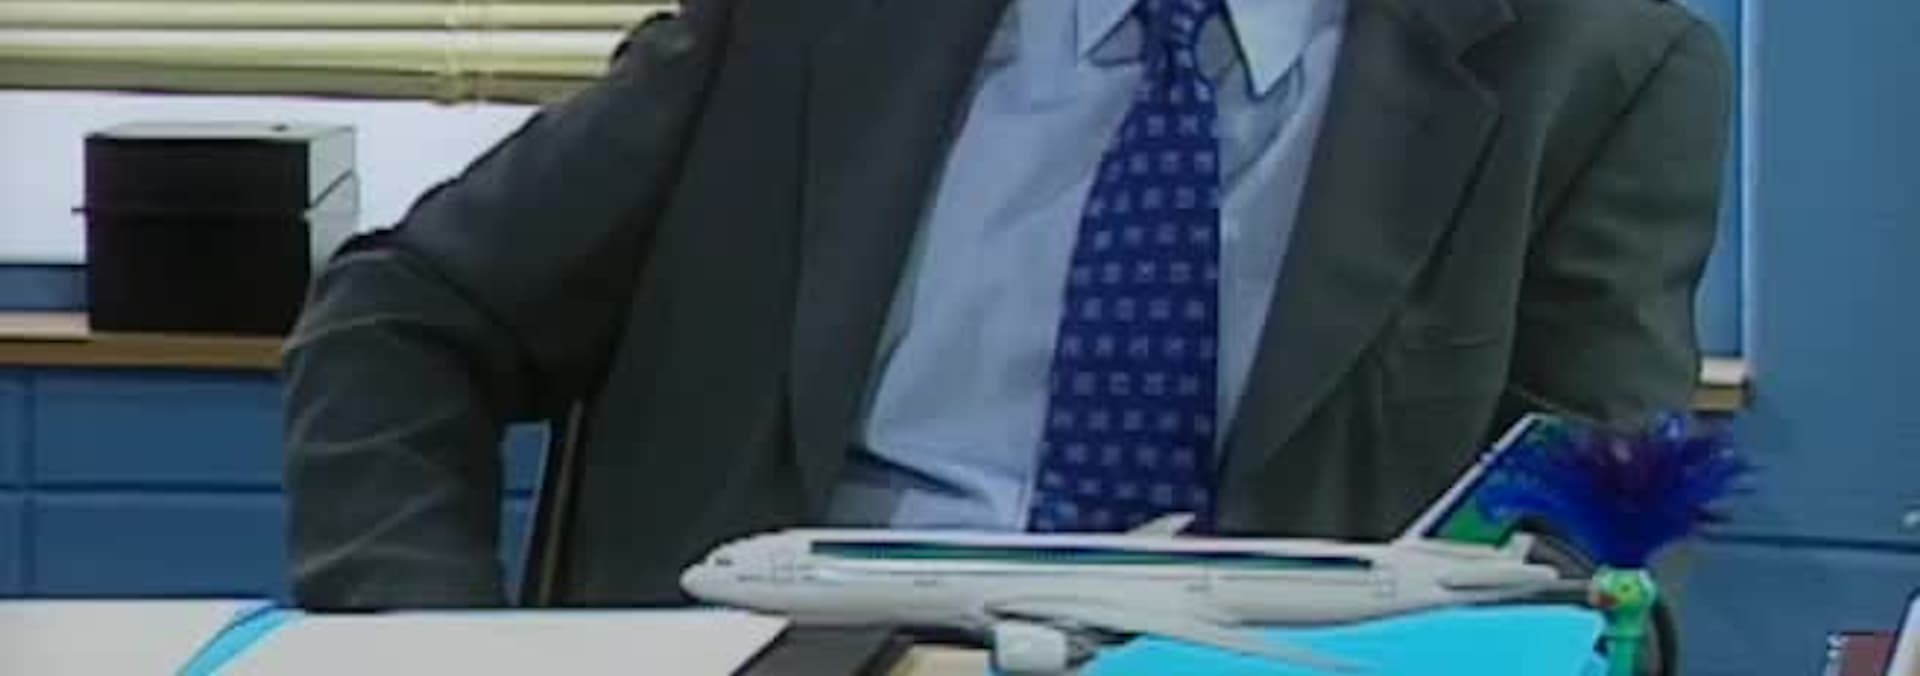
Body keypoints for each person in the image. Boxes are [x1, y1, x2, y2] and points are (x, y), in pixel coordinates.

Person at [282, 0, 1732, 609]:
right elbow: (406, 316)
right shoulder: (812, 25)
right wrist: (431, 644)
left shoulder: (1592, 69)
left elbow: (1585, 520)